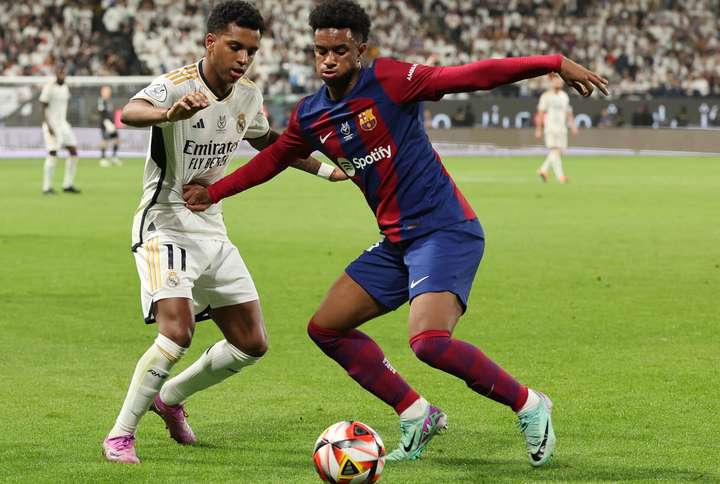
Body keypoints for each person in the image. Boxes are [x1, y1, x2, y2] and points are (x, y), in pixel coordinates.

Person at [183, 0, 607, 467]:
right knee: (326, 328)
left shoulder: (390, 81)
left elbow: (473, 74)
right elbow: (275, 157)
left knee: (429, 342)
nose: (328, 60)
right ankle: (415, 411)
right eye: (320, 50)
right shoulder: (312, 114)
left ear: (360, 50)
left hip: (446, 231)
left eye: (340, 50)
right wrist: (216, 191)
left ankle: (529, 403)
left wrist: (552, 63)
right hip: (398, 243)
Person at [102, 1, 345, 464]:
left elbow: (273, 147)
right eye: (235, 47)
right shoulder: (175, 86)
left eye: (251, 51)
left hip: (211, 227)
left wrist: (328, 171)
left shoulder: (247, 96)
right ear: (211, 42)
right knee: (178, 331)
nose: (243, 58)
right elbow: (129, 113)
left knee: (251, 343)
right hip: (164, 224)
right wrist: (168, 115)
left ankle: (168, 398)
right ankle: (120, 435)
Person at [40, 65, 80, 194]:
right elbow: (43, 106)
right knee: (53, 153)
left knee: (73, 151)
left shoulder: (65, 87)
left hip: (63, 124)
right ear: (56, 73)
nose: (62, 74)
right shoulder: (49, 87)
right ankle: (47, 187)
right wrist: (49, 125)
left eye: (63, 72)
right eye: (59, 72)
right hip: (52, 125)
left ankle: (67, 184)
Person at [535, 73, 576, 184]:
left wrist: (572, 124)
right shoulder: (546, 96)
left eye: (559, 81)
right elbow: (541, 113)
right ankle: (559, 176)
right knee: (555, 150)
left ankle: (544, 170)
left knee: (558, 151)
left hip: (562, 127)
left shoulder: (564, 96)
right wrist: (538, 129)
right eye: (555, 81)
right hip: (551, 126)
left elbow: (568, 112)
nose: (558, 82)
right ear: (551, 83)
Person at [97, 85, 122, 167]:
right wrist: (106, 123)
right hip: (105, 123)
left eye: (108, 91)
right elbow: (102, 112)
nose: (108, 92)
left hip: (111, 123)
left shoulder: (109, 101)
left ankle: (114, 157)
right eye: (106, 91)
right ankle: (103, 159)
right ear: (102, 92)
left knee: (116, 139)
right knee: (105, 140)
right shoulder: (101, 100)